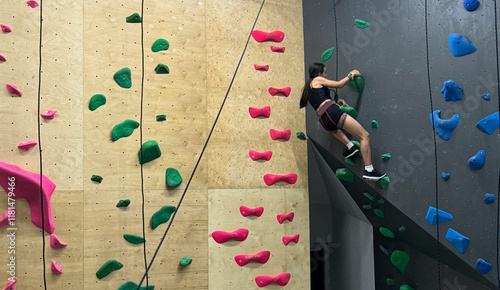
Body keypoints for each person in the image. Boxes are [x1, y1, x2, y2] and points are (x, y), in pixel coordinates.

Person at [300, 63, 386, 181]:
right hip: (332, 113)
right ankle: (369, 170)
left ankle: (350, 146)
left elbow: (322, 102)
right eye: (324, 72)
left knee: (335, 130)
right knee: (364, 136)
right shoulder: (317, 79)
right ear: (319, 73)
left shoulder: (309, 89)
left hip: (324, 121)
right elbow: (339, 85)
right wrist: (351, 75)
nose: (325, 75)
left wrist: (338, 103)